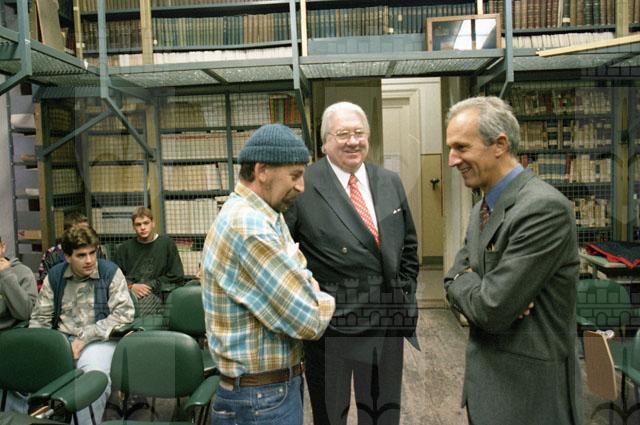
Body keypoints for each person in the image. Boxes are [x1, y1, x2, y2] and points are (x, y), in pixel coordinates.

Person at [443, 96, 583, 425]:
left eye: (461, 147)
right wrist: (474, 286)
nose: (452, 160)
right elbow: (451, 278)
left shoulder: (542, 209)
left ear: (500, 145)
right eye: (451, 149)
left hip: (529, 398)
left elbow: (491, 309)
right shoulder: (481, 208)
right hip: (487, 389)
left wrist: (477, 288)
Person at [285, 101, 419, 425]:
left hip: (385, 324)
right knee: (331, 417)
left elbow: (409, 247)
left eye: (359, 133)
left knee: (382, 416)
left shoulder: (389, 181)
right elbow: (283, 252)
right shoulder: (302, 185)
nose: (353, 141)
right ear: (324, 142)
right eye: (343, 134)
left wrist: (402, 294)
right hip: (332, 330)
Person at [202, 123, 336, 425]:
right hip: (261, 401)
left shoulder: (265, 215)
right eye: (295, 175)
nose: (302, 186)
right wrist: (319, 296)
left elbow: (300, 275)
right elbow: (310, 320)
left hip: (263, 395)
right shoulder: (250, 227)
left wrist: (305, 284)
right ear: (262, 170)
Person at [29, 226, 135, 425]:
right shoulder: (55, 276)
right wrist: (44, 348)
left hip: (100, 340)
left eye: (92, 253)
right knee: (20, 368)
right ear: (67, 257)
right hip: (61, 340)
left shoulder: (110, 272)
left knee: (91, 377)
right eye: (81, 255)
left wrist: (85, 337)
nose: (89, 260)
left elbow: (124, 314)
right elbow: (40, 319)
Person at [112, 207, 184, 315]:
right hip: (130, 293)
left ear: (153, 223)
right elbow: (114, 276)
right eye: (138, 224)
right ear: (133, 227)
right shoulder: (124, 248)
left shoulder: (167, 244)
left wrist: (150, 285)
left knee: (135, 311)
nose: (142, 227)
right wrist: (131, 286)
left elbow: (177, 274)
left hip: (158, 294)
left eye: (146, 223)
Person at [0, 235, 38, 413]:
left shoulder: (22, 273)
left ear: (2, 247)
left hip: (11, 339)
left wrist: (6, 276)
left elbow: (26, 312)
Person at [37, 211, 105, 290]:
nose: (86, 234)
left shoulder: (97, 250)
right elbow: (44, 284)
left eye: (87, 230)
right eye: (80, 232)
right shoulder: (52, 254)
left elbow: (104, 276)